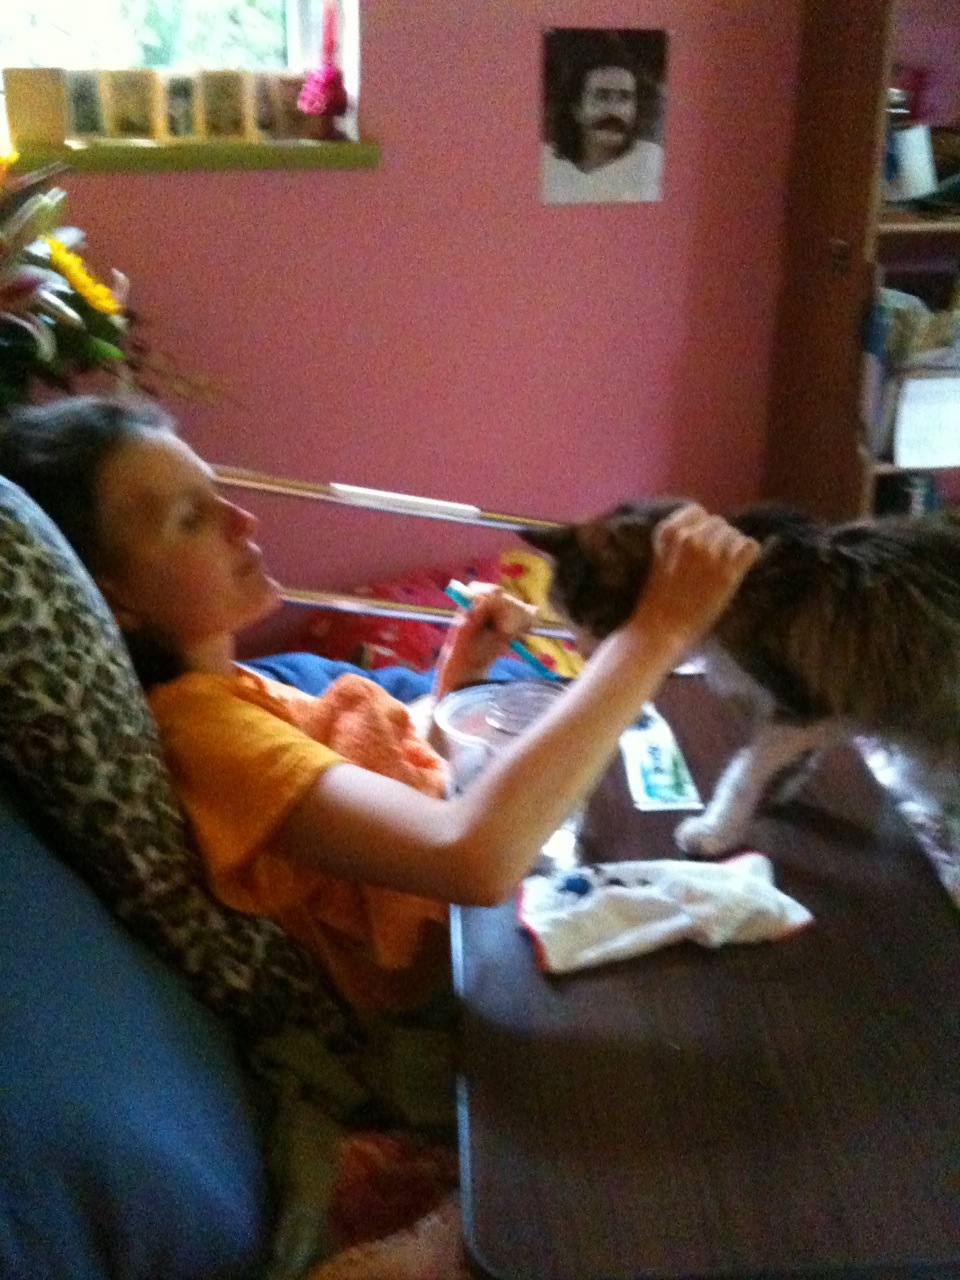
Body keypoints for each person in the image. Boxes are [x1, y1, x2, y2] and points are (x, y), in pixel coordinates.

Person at [0, 393, 759, 1277]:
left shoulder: (240, 690)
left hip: (484, 944)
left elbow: (368, 795)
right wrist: (656, 632)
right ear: (115, 599)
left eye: (218, 494)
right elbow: (469, 857)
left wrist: (452, 686)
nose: (244, 521)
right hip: (449, 1010)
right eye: (191, 519)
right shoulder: (209, 736)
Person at [542, 38, 664, 205]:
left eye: (625, 97)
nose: (614, 111)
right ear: (576, 109)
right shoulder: (546, 165)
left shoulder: (651, 163)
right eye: (601, 97)